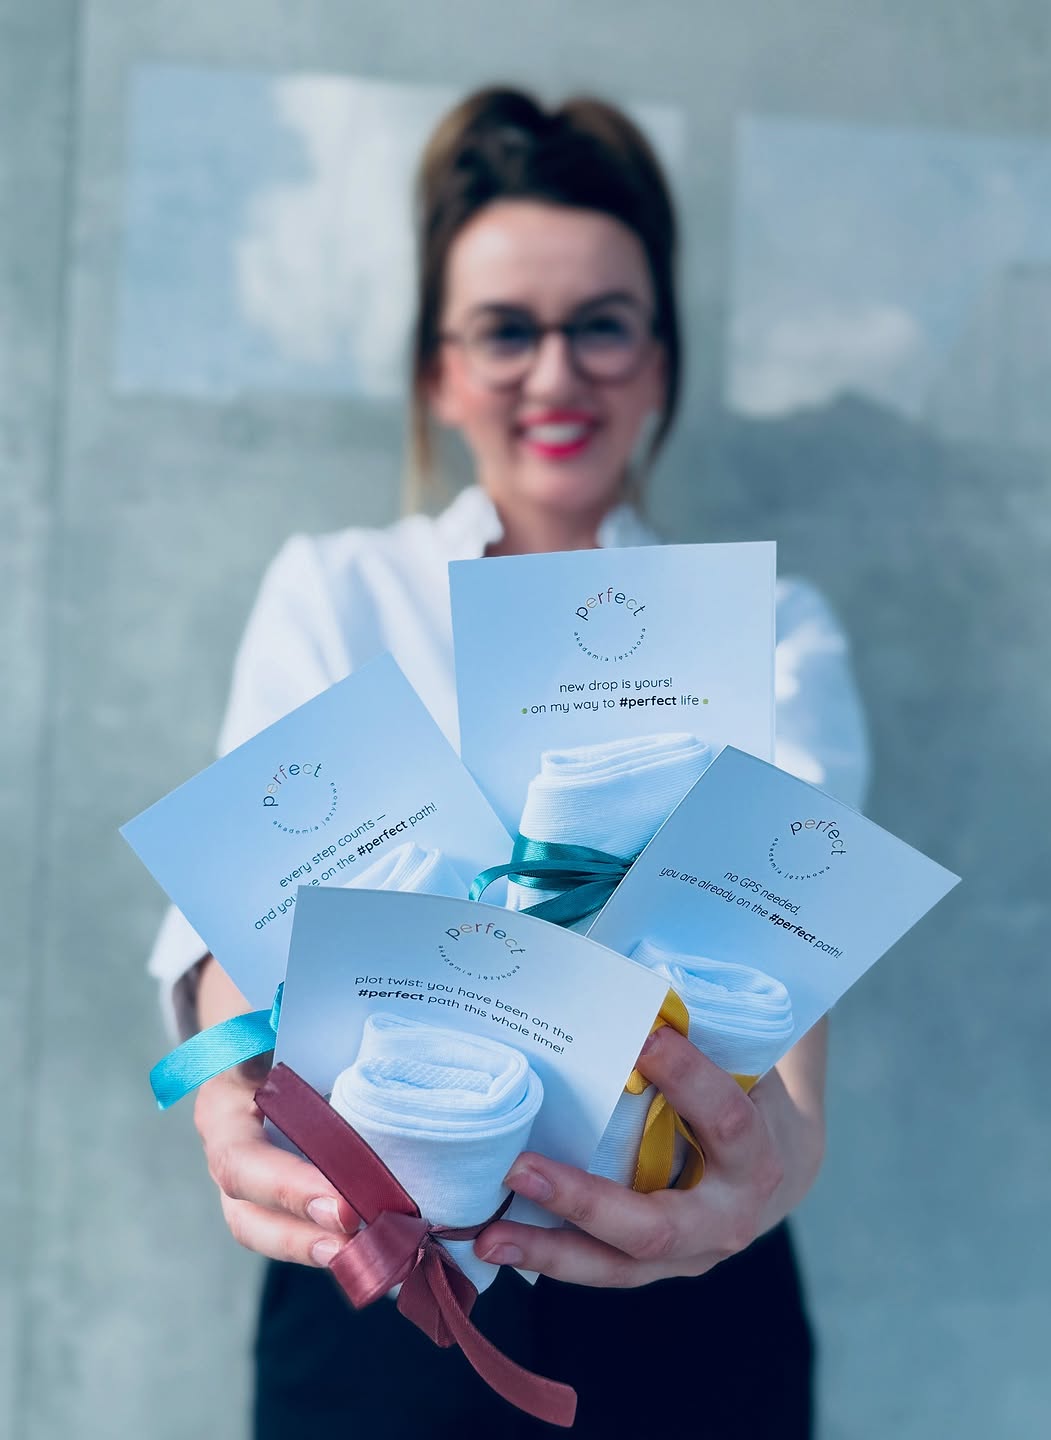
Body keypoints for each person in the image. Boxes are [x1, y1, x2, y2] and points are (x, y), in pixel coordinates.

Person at [150, 86, 869, 1437]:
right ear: (437, 368)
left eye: (602, 324)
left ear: (661, 358)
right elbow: (242, 899)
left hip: (692, 1257)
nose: (555, 375)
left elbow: (789, 922)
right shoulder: (339, 590)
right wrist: (229, 1096)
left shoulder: (774, 629)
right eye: (504, 330)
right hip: (379, 1257)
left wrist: (790, 1141)